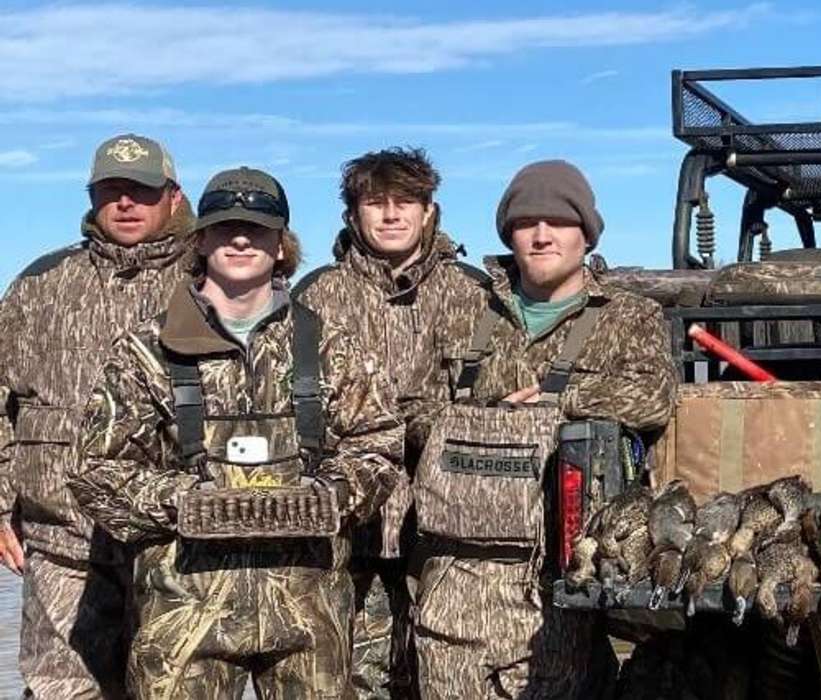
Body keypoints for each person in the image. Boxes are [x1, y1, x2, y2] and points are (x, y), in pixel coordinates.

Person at [71, 166, 404, 699]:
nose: (241, 238)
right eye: (225, 227)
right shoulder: (145, 350)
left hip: (308, 612)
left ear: (281, 245)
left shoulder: (329, 347)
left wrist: (331, 495)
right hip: (182, 611)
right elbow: (94, 471)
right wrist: (184, 501)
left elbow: (379, 444)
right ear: (200, 240)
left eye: (258, 227)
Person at [410, 160, 677, 699]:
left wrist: (560, 403)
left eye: (558, 221)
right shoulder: (464, 311)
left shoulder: (629, 316)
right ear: (508, 233)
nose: (541, 234)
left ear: (586, 233)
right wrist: (484, 417)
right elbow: (416, 413)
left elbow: (653, 397)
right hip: (455, 577)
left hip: (558, 579)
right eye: (526, 222)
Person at [0, 133, 195, 698]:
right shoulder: (42, 284)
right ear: (93, 199)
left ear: (173, 198)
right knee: (62, 688)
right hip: (62, 541)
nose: (126, 204)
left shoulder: (211, 279)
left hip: (177, 543)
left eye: (141, 191)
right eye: (112, 191)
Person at [293, 147, 487, 699]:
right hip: (349, 528)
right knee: (352, 676)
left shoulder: (472, 294)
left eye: (407, 201)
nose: (392, 214)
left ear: (430, 211)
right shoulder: (317, 296)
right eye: (376, 203)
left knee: (449, 669)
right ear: (353, 216)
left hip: (448, 524)